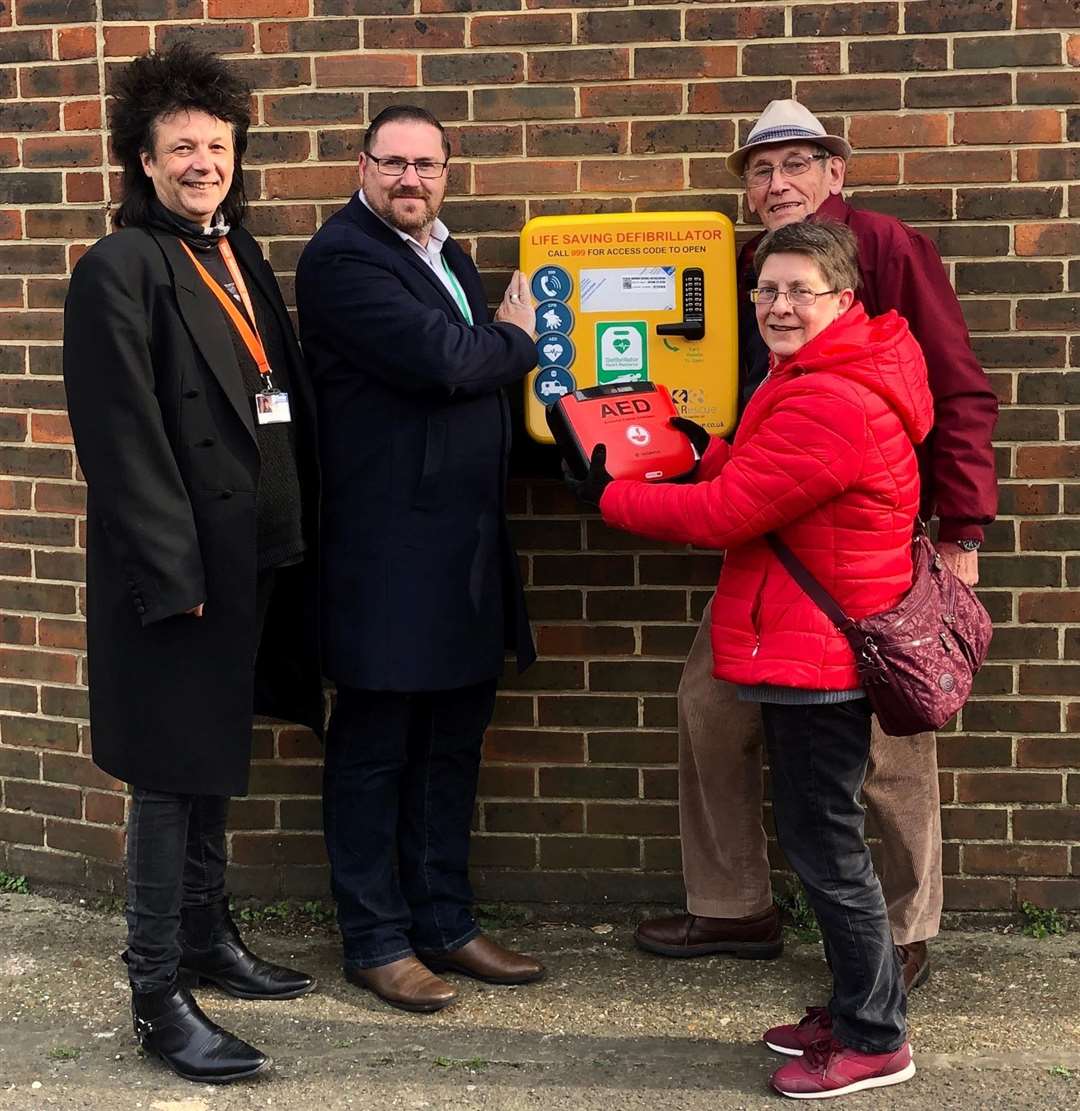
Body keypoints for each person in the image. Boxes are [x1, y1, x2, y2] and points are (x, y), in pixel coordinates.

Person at [634, 99, 999, 990]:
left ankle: (903, 930)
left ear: (837, 173)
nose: (777, 182)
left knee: (890, 742)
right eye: (761, 169)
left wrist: (962, 530)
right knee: (709, 703)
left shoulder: (882, 247)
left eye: (797, 163)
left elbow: (958, 389)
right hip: (766, 545)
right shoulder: (743, 263)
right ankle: (733, 906)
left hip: (864, 547)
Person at [573, 220, 933, 1098]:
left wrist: (614, 496)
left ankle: (876, 1037)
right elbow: (769, 477)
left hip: (819, 659)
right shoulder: (821, 372)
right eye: (767, 289)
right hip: (812, 643)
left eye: (798, 290)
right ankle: (857, 1005)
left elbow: (727, 515)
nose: (777, 305)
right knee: (825, 840)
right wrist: (700, 444)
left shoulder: (830, 396)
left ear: (842, 299)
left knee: (826, 848)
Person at [62, 45, 322, 1084]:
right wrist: (178, 581)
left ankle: (210, 938)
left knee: (214, 763)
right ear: (145, 158)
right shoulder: (120, 268)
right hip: (175, 580)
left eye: (216, 145)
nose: (202, 161)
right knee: (169, 780)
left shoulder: (235, 253)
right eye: (182, 148)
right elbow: (123, 444)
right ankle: (158, 990)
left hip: (250, 557)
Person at [295, 105, 542, 1014]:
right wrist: (516, 340)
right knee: (374, 748)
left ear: (448, 170)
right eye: (393, 163)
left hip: (464, 548)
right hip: (387, 551)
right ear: (360, 166)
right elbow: (444, 359)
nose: (410, 179)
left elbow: (473, 372)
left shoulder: (448, 253)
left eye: (426, 164)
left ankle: (443, 921)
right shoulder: (343, 258)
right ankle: (374, 938)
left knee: (450, 745)